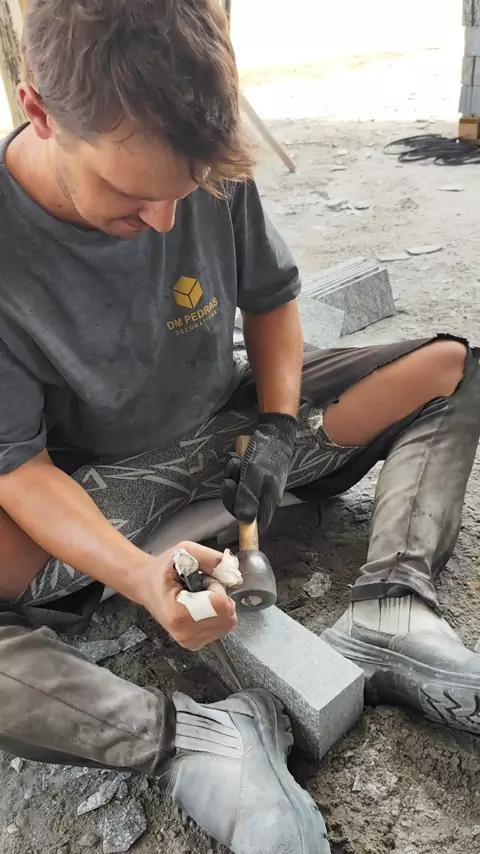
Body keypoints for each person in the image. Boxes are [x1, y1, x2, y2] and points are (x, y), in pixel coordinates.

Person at [0, 1, 479, 851]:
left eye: (181, 193)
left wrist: (281, 425)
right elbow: (17, 467)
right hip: (88, 496)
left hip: (230, 426)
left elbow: (271, 298)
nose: (163, 222)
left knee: (452, 369)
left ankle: (393, 608)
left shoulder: (205, 157)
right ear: (39, 111)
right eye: (130, 194)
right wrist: (142, 578)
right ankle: (193, 741)